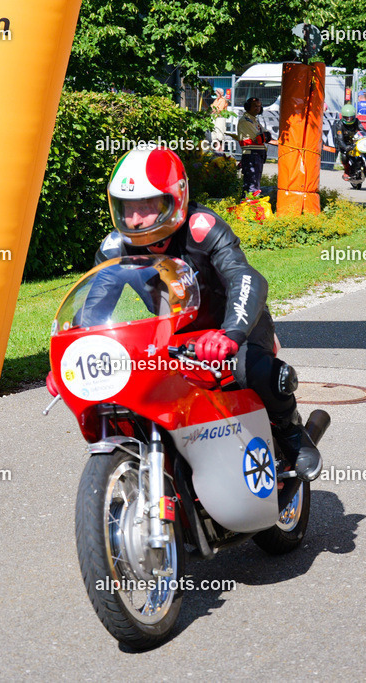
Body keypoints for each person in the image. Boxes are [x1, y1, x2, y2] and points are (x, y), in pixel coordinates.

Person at [93, 145, 323, 481]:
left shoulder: (202, 227)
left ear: (176, 199)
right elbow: (94, 309)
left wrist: (232, 334)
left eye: (147, 206)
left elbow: (245, 278)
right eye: (128, 208)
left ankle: (292, 435)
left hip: (232, 327)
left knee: (248, 367)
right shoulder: (115, 248)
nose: (135, 219)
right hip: (176, 336)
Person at [237, 97, 273, 195]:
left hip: (257, 155)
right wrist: (265, 136)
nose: (257, 108)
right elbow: (258, 139)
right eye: (255, 106)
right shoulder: (245, 121)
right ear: (248, 107)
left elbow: (267, 135)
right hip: (251, 155)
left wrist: (265, 136)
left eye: (259, 106)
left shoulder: (254, 120)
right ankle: (249, 204)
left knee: (255, 184)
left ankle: (251, 204)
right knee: (251, 186)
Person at [332, 103, 366, 182]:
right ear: (343, 117)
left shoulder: (356, 121)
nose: (349, 120)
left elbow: (362, 129)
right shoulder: (339, 125)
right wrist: (345, 147)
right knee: (344, 156)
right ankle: (347, 171)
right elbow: (340, 138)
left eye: (351, 118)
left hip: (355, 141)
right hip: (345, 143)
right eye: (347, 118)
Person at [210, 88, 229, 154]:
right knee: (214, 134)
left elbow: (219, 110)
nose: (216, 94)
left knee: (220, 135)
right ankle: (216, 151)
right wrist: (214, 109)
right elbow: (212, 107)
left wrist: (214, 109)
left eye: (217, 93)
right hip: (215, 118)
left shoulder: (223, 100)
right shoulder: (216, 100)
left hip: (220, 118)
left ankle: (220, 152)